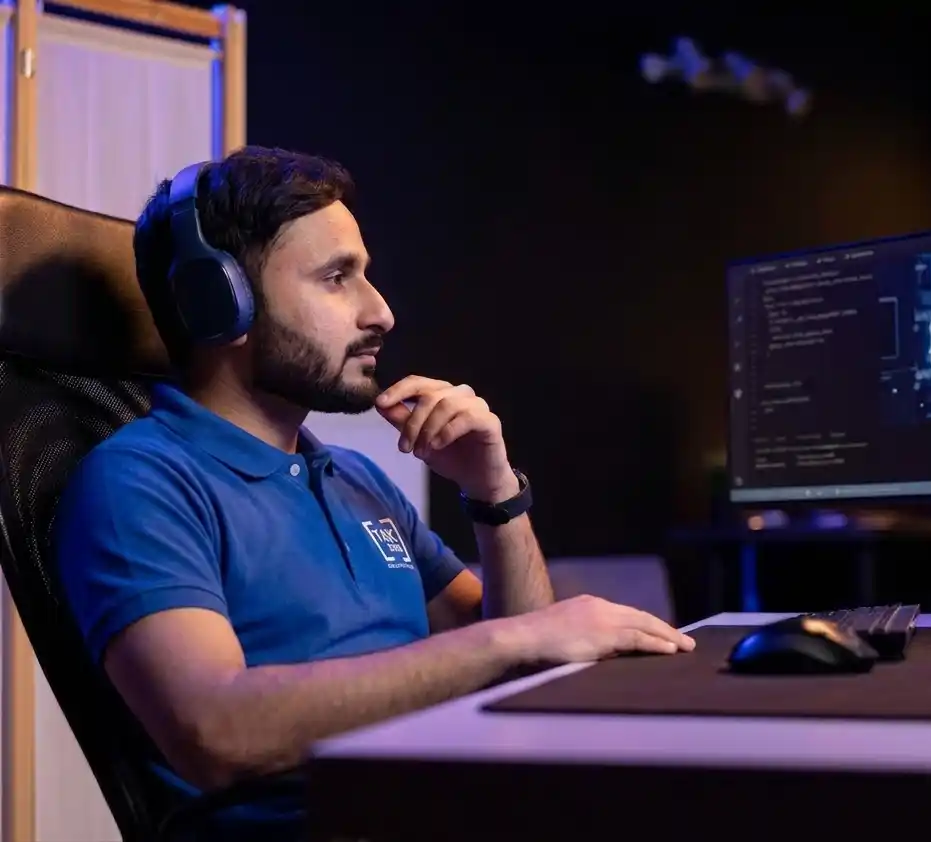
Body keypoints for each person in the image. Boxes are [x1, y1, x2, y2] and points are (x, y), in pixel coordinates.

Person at [51, 146, 695, 840]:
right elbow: (216, 731)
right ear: (220, 300)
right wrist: (519, 638)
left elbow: (522, 662)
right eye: (337, 278)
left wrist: (494, 493)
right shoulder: (142, 483)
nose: (381, 312)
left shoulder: (356, 479)